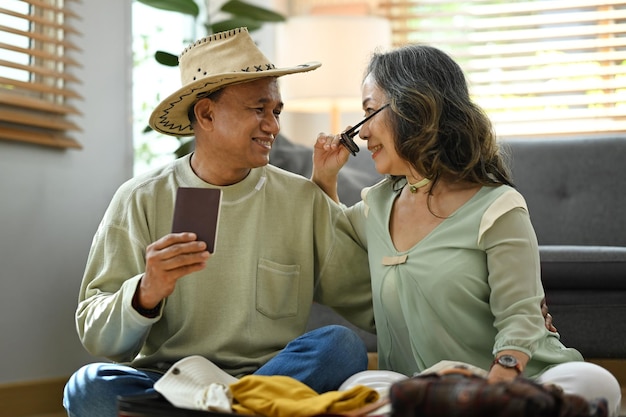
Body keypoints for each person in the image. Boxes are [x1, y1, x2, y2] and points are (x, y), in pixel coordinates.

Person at [63, 27, 375, 417]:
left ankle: (220, 409)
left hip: (271, 378)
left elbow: (367, 298)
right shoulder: (140, 198)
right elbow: (97, 333)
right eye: (258, 109)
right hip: (170, 379)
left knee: (340, 346)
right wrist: (146, 291)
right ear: (206, 114)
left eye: (275, 111)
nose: (274, 126)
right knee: (88, 386)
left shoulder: (302, 198)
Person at [312, 43, 622, 416]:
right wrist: (324, 178)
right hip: (423, 388)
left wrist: (494, 391)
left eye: (367, 112)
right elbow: (330, 243)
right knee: (361, 387)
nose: (360, 134)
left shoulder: (497, 206)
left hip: (510, 385)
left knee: (593, 382)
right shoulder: (375, 207)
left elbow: (520, 318)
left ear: (412, 107)